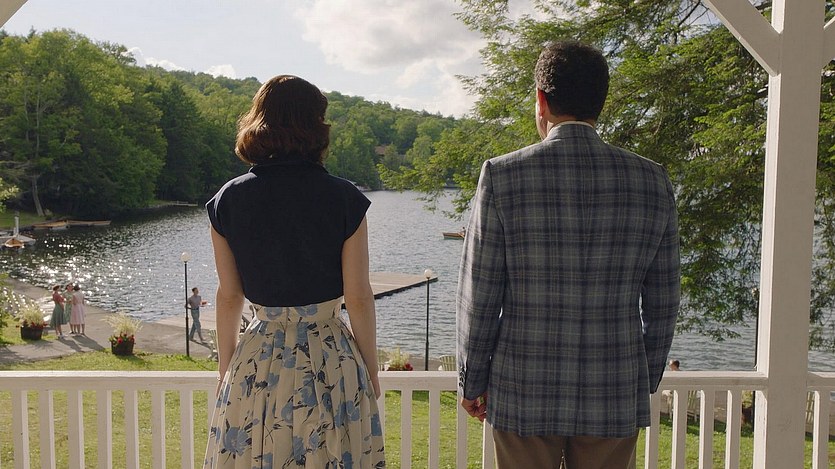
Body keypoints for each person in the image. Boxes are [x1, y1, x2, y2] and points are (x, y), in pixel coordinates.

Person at [456, 41, 680, 469]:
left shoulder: (502, 175)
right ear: (600, 102)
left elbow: (479, 295)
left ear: (541, 100)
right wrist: (643, 378)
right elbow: (664, 302)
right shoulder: (653, 180)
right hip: (614, 390)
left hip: (522, 391)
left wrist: (472, 380)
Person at [202, 75, 385, 468]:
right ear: (315, 125)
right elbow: (357, 297)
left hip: (257, 360)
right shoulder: (344, 198)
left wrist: (225, 369)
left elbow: (230, 296)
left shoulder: (227, 200)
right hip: (330, 358)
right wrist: (369, 370)